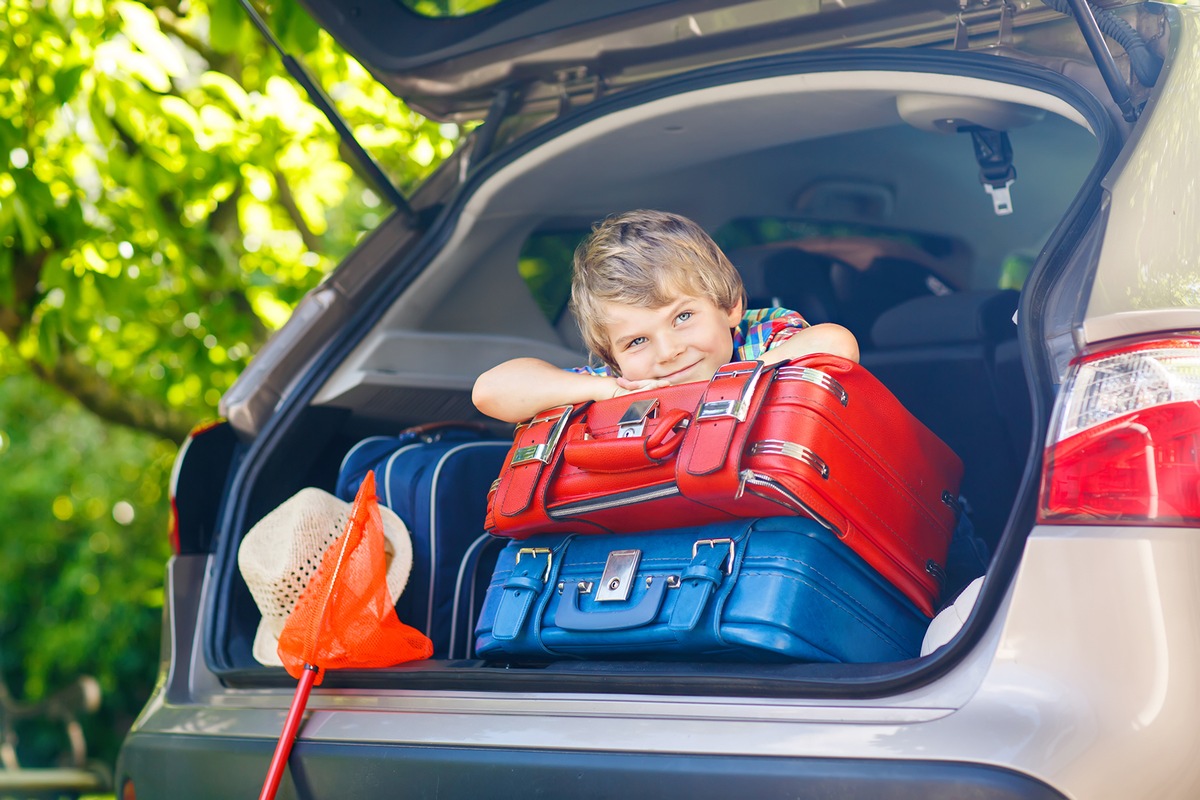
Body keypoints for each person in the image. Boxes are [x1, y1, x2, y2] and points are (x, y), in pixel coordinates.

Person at [472, 209, 859, 423]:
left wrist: (735, 381)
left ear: (730, 307)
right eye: (636, 341)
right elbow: (490, 391)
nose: (669, 351)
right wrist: (604, 392)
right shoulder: (620, 385)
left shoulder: (759, 338)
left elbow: (835, 344)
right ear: (613, 358)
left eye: (683, 317)